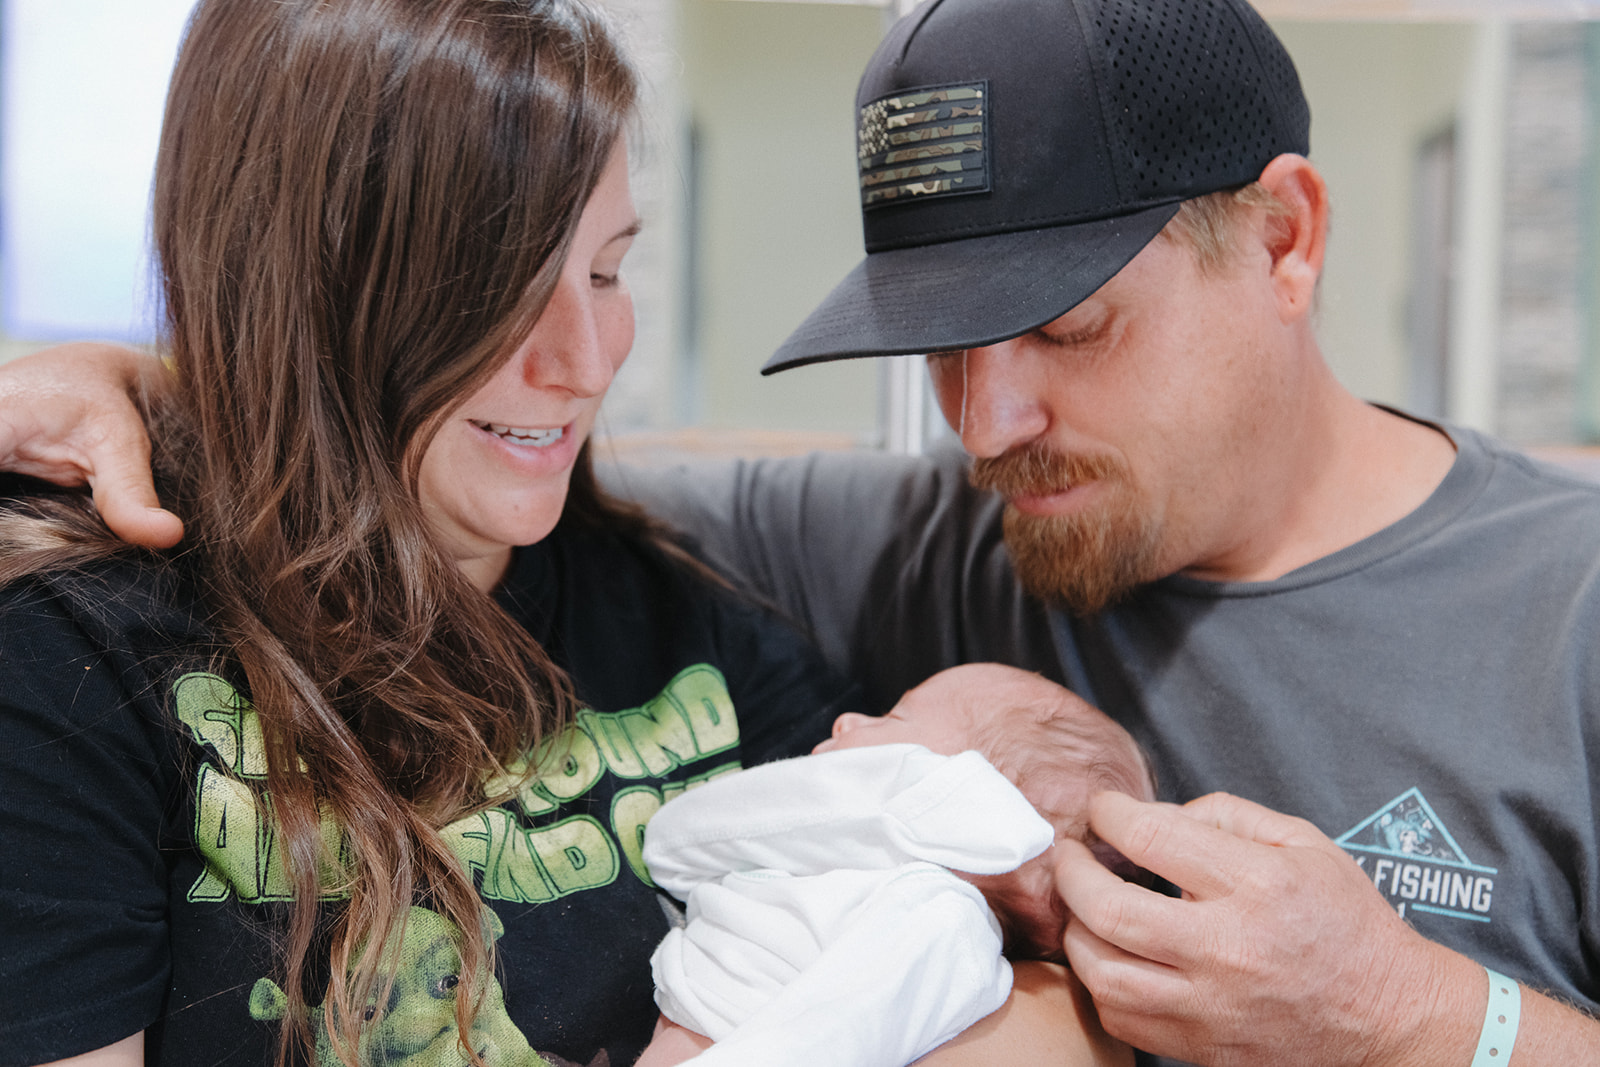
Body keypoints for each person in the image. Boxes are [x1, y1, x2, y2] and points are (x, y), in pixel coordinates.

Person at [6, 0, 1600, 1064]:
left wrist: (1425, 1012)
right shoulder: (922, 539)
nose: (985, 428)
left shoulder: (1572, 604)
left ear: (1287, 238)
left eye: (1067, 328)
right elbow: (412, 453)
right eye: (942, 348)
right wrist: (144, 371)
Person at [0, 2, 874, 1066]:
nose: (588, 360)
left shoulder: (695, 633)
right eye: (502, 288)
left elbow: (947, 949)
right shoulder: (73, 658)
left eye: (605, 272)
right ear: (307, 289)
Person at [636, 664, 1150, 1067]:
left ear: (956, 794)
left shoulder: (942, 928)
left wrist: (885, 791)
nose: (847, 719)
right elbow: (676, 846)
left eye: (894, 718)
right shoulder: (838, 867)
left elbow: (829, 1039)